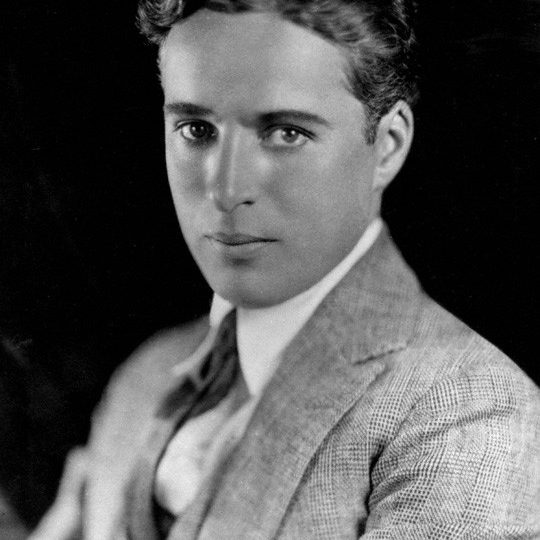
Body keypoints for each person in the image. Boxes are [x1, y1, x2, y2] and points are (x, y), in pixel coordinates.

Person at [30, 0, 540, 538]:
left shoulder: (471, 414)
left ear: (388, 146)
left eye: (286, 133)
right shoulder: (149, 374)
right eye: (196, 129)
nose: (226, 190)